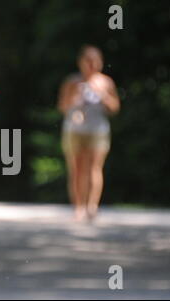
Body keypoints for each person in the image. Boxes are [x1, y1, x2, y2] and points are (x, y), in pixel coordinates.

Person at [57, 45, 120, 222]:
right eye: (88, 61)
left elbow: (115, 107)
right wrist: (73, 96)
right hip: (74, 129)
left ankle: (92, 207)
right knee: (76, 169)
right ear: (81, 63)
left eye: (94, 62)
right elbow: (62, 107)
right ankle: (78, 207)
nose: (91, 65)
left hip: (98, 129)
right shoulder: (72, 81)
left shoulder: (106, 82)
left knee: (94, 168)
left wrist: (103, 95)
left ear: (100, 63)